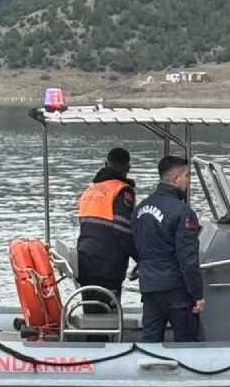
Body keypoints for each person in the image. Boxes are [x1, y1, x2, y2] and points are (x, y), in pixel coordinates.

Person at [133, 156, 204, 342]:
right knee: (187, 341)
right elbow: (188, 258)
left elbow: (135, 245)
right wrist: (197, 294)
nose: (188, 181)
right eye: (187, 176)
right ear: (175, 179)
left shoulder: (140, 208)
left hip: (149, 286)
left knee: (151, 340)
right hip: (176, 289)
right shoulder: (182, 212)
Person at [75, 147, 137, 310]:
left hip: (85, 260)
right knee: (107, 316)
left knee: (91, 312)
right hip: (107, 266)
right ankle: (104, 336)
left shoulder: (90, 190)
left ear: (105, 163)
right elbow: (124, 231)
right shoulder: (121, 191)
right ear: (127, 168)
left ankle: (91, 334)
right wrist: (142, 258)